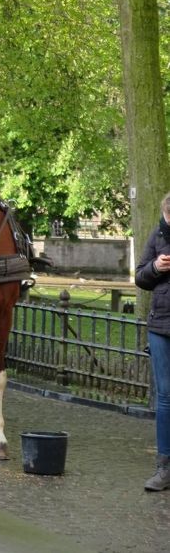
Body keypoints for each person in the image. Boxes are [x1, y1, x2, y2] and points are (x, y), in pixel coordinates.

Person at [136, 192, 170, 492]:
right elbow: (140, 277)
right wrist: (156, 268)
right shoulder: (157, 235)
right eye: (167, 218)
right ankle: (164, 466)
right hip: (161, 326)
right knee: (165, 396)